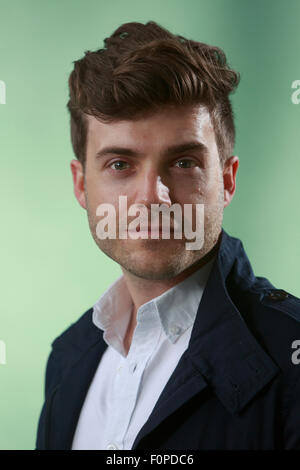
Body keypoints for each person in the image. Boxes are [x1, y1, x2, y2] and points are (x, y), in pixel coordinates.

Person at [35, 20, 300, 450]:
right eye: (120, 164)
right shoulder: (67, 359)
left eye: (183, 163)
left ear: (228, 181)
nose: (153, 197)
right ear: (81, 185)